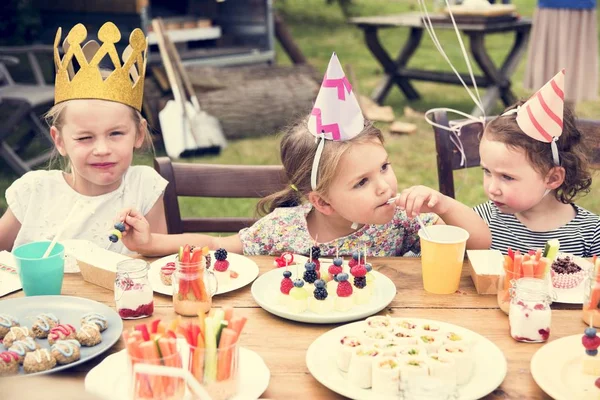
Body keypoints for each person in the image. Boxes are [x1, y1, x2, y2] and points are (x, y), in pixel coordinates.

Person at [121, 54, 491, 257]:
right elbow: (217, 245)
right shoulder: (285, 230)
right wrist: (152, 243)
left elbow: (479, 243)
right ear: (322, 202)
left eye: (384, 167)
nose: (384, 187)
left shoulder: (402, 224)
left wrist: (443, 205)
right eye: (362, 182)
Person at [0, 22, 168, 254]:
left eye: (116, 133)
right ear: (59, 141)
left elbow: (157, 260)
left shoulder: (144, 187)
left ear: (139, 134)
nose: (101, 149)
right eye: (85, 138)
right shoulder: (35, 192)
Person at [475, 70, 600, 257]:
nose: (492, 188)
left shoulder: (591, 235)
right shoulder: (482, 221)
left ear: (553, 178)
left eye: (507, 177)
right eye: (487, 171)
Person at [524, 0, 598, 103]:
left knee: (573, 69)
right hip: (551, 6)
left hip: (580, 5)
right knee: (550, 68)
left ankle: (566, 113)